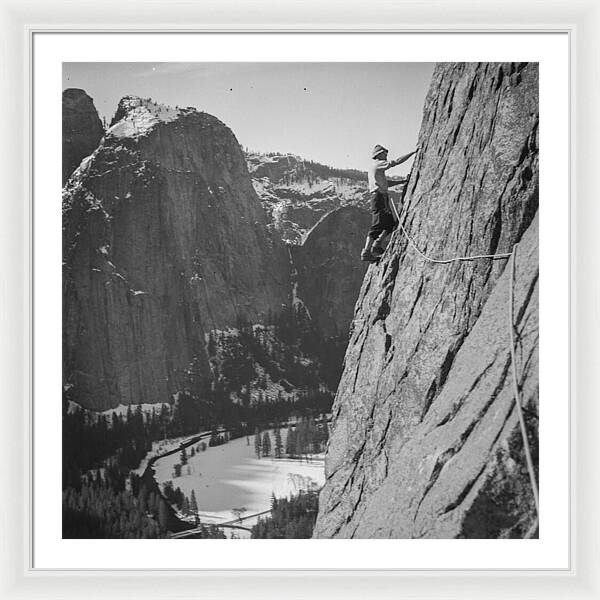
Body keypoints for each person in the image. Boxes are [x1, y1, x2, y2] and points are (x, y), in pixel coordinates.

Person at [361, 144, 417, 262]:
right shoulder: (378, 163)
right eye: (384, 154)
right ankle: (366, 252)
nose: (386, 156)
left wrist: (402, 181)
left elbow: (385, 183)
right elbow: (395, 162)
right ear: (378, 154)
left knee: (390, 224)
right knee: (377, 225)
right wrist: (413, 152)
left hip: (380, 197)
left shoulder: (374, 168)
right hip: (379, 198)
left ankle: (377, 245)